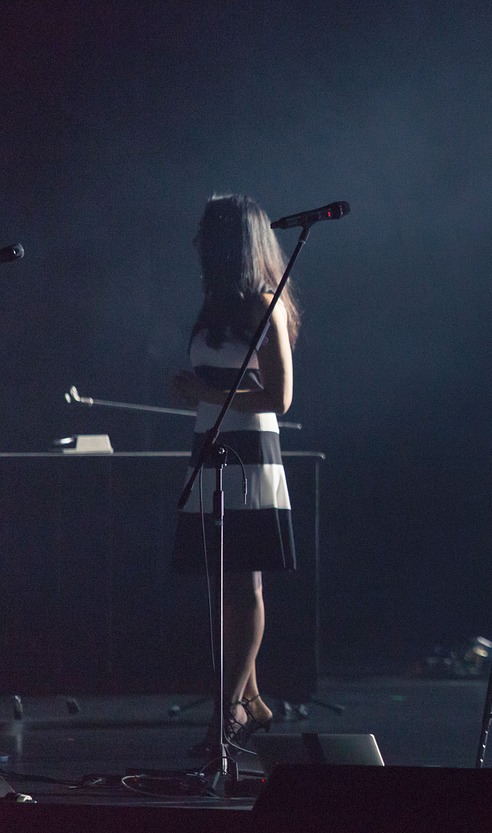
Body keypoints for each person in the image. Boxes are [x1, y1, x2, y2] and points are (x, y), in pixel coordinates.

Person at [171, 194, 300, 758]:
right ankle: (251, 700)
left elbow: (280, 397)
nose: (199, 242)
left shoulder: (263, 304)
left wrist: (202, 391)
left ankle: (228, 711)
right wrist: (198, 395)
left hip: (248, 451)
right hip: (211, 445)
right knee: (223, 582)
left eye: (208, 233)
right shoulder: (217, 305)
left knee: (243, 584)